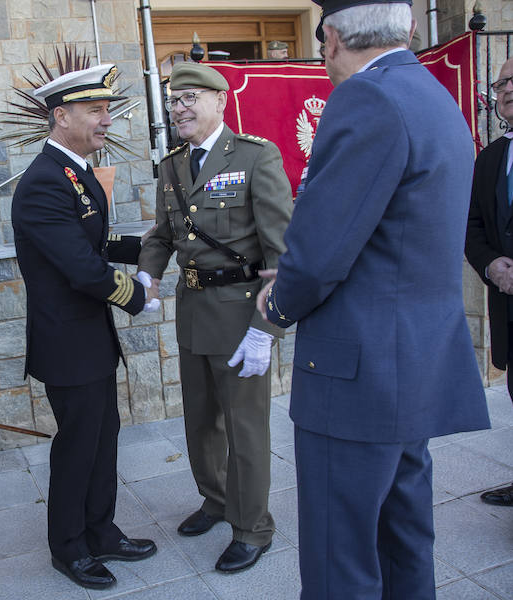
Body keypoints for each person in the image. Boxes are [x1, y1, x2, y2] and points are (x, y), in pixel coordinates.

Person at [256, 1, 491, 597]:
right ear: (409, 29)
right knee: (404, 538)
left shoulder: (366, 98)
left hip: (356, 374)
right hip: (410, 366)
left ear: (330, 39)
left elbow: (321, 248)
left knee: (341, 559)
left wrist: (277, 306)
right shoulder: (432, 93)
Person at [138, 61, 293, 573]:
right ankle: (217, 500)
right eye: (173, 101)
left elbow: (280, 254)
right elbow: (162, 234)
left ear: (219, 101)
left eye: (189, 99)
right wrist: (148, 274)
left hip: (241, 315)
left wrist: (265, 329)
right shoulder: (172, 164)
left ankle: (253, 527)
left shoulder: (254, 155)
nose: (178, 109)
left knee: (245, 426)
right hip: (193, 310)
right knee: (201, 421)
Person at [11, 63, 159, 590]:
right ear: (60, 117)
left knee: (103, 439)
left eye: (107, 111)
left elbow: (94, 242)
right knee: (77, 447)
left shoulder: (73, 171)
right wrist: (137, 294)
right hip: (67, 343)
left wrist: (148, 245)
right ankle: (68, 547)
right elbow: (79, 266)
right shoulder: (43, 183)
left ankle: (102, 531)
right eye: (95, 111)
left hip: (89, 339)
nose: (106, 121)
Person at [465, 56, 513, 508]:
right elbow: (473, 225)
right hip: (508, 305)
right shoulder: (492, 156)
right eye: (502, 83)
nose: (508, 89)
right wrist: (491, 265)